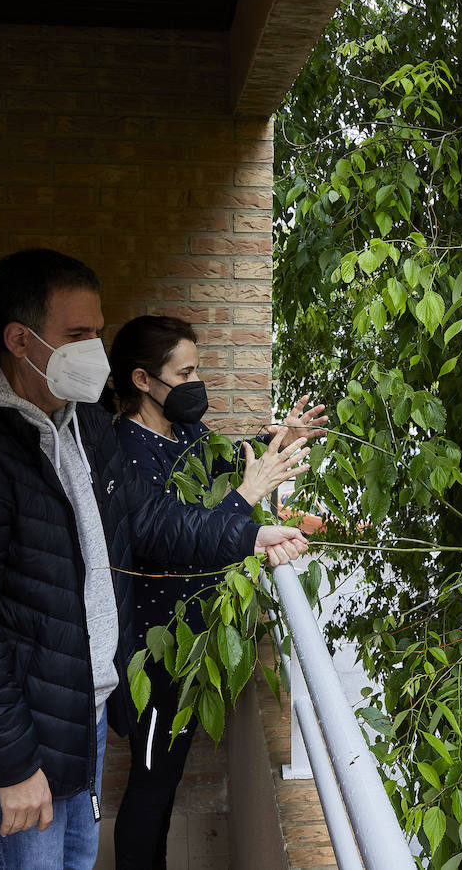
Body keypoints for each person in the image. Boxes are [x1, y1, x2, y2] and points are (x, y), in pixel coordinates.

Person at [0, 250, 310, 870]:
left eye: (97, 331)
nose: (95, 349)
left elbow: (145, 523)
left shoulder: (83, 424)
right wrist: (12, 766)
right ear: (20, 338)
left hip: (80, 708)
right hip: (24, 733)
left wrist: (245, 536)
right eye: (77, 335)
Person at [107, 314, 327, 870]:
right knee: (153, 781)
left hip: (187, 641)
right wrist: (246, 499)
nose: (196, 383)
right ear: (142, 380)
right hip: (153, 651)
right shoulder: (122, 452)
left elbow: (224, 465)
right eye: (186, 373)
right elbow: (166, 535)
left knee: (169, 772)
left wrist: (277, 440)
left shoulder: (184, 434)